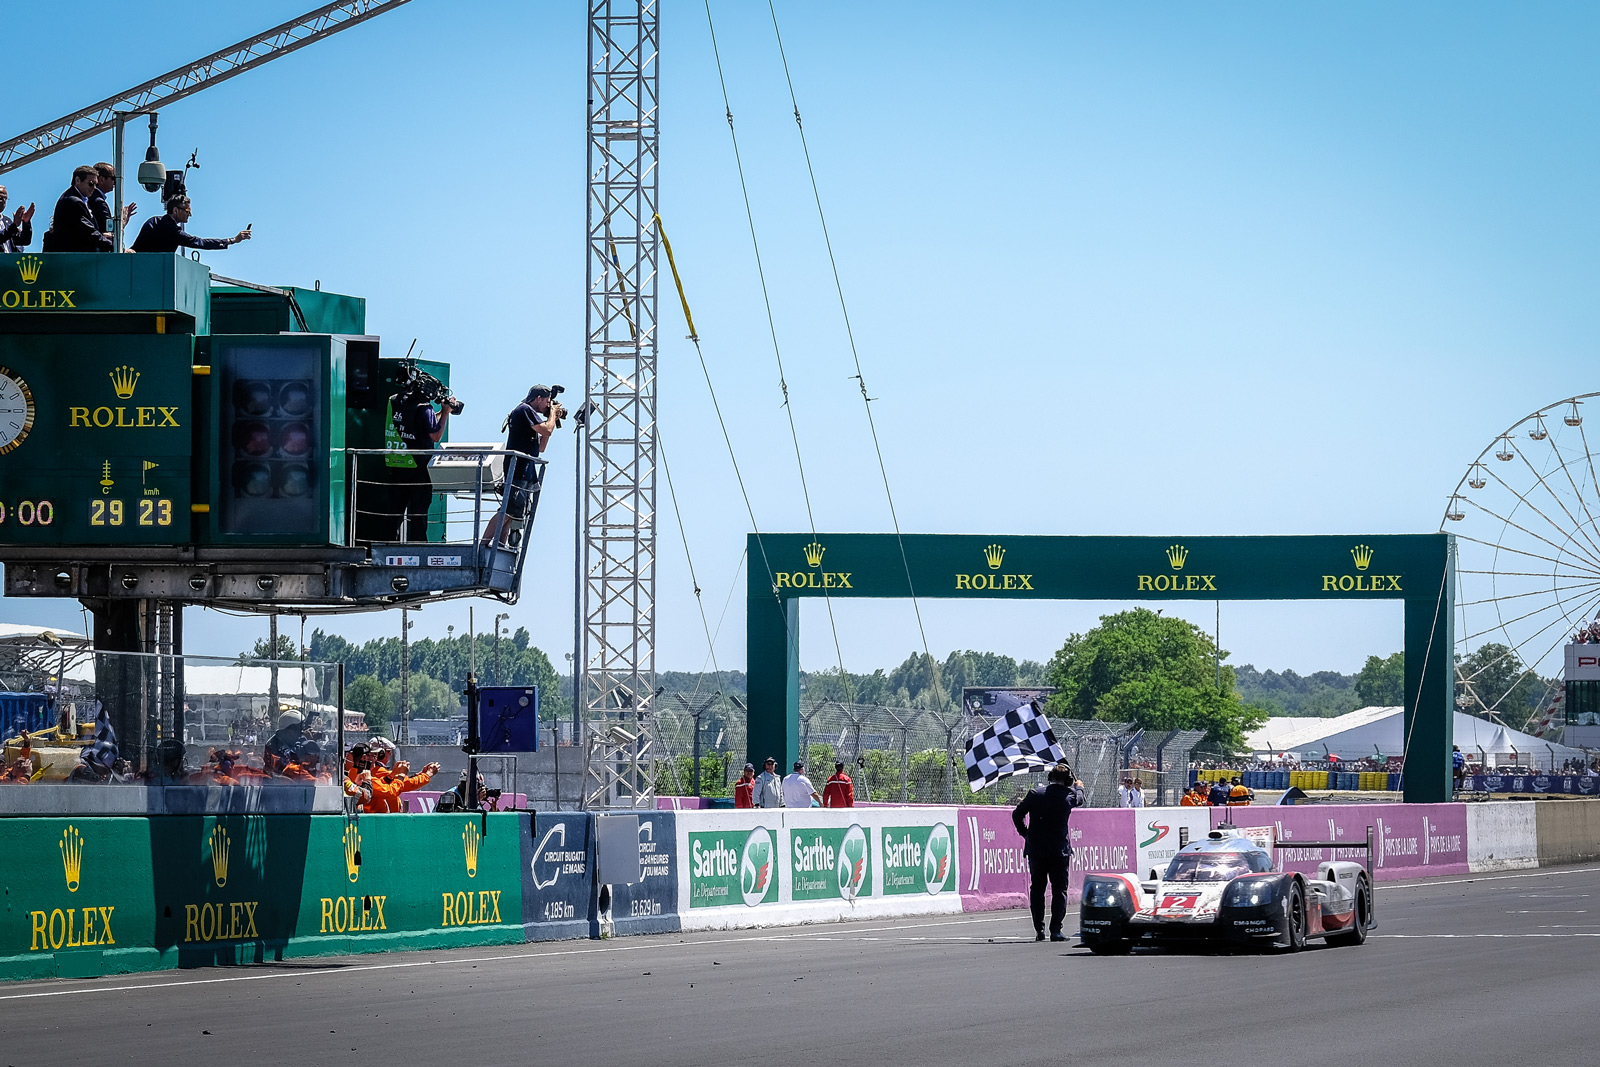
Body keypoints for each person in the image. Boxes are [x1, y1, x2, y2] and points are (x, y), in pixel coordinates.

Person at [1011, 763, 1086, 942]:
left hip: (1037, 850)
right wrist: (1080, 787)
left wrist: (1026, 834)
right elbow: (1080, 799)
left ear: (1050, 778)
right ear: (1068, 781)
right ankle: (1056, 930)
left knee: (1037, 888)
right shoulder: (1069, 796)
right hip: (1058, 851)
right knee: (1059, 889)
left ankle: (1039, 929)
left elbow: (1016, 815)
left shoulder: (1036, 794)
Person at [483, 385, 563, 546]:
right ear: (538, 398)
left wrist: (551, 419)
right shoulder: (525, 409)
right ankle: (483, 545)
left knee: (512, 513)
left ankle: (499, 546)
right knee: (506, 511)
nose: (548, 406)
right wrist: (552, 415)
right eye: (547, 402)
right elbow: (546, 430)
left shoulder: (530, 414)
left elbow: (541, 446)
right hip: (518, 470)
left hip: (526, 471)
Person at [385, 377, 454, 541]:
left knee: (394, 511)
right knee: (418, 512)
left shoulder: (395, 401)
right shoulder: (424, 407)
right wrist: (445, 413)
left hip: (397, 463)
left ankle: (387, 544)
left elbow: (416, 422)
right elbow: (436, 435)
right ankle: (418, 547)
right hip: (419, 467)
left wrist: (438, 414)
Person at [131, 194, 250, 254]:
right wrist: (232, 240)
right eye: (187, 211)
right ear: (176, 210)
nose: (190, 214)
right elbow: (201, 243)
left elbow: (136, 248)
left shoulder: (153, 221)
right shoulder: (172, 231)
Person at [44, 165, 112, 252]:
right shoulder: (73, 201)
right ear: (78, 180)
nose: (94, 188)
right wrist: (114, 247)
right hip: (73, 258)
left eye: (96, 184)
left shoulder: (80, 199)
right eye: (91, 184)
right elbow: (88, 232)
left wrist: (103, 236)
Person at [88, 162, 136, 241]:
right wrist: (122, 220)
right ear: (102, 180)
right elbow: (108, 231)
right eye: (113, 178)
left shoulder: (92, 198)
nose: (115, 182)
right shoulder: (98, 201)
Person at [0, 186, 35, 254]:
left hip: (9, 263)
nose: (2, 201)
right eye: (0, 198)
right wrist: (14, 225)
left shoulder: (6, 221)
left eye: (5, 198)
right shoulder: (10, 225)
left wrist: (26, 222)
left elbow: (24, 241)